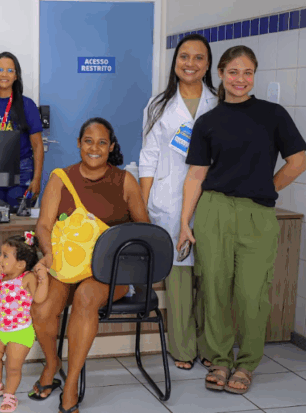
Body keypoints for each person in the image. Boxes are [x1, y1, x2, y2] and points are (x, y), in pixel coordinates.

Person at [178, 46, 306, 394]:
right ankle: (220, 360)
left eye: (247, 72)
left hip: (257, 215)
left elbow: (297, 162)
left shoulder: (273, 115)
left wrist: (266, 188)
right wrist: (185, 222)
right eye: (233, 72)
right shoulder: (207, 122)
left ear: (254, 75)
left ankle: (247, 363)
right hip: (214, 211)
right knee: (214, 289)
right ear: (220, 74)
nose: (240, 79)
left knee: (253, 294)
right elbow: (196, 175)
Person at [29, 118, 149, 413]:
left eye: (102, 142)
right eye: (88, 141)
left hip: (109, 274)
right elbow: (43, 226)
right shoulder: (61, 178)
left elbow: (144, 230)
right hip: (66, 266)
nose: (94, 148)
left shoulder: (125, 181)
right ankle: (52, 363)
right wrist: (48, 254)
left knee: (85, 296)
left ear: (111, 147)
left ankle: (70, 384)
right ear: (79, 144)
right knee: (42, 308)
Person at [139, 33, 218, 371]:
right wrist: (142, 207)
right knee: (180, 279)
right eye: (184, 56)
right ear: (175, 63)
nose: (190, 63)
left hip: (211, 199)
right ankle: (183, 348)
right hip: (169, 201)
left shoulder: (220, 102)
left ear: (208, 64)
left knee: (211, 277)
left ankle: (210, 346)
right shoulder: (158, 105)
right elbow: (148, 157)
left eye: (198, 57)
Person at [0, 233, 49, 413]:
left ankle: (10, 394)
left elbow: (39, 298)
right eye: (0, 254)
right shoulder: (1, 276)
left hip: (20, 332)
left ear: (21, 264)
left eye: (5, 256)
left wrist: (44, 280)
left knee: (13, 366)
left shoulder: (27, 277)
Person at [0, 52, 44, 208]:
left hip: (21, 170)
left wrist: (37, 179)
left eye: (10, 70)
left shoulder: (27, 105)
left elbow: (37, 145)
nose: (4, 74)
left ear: (16, 76)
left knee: (17, 209)